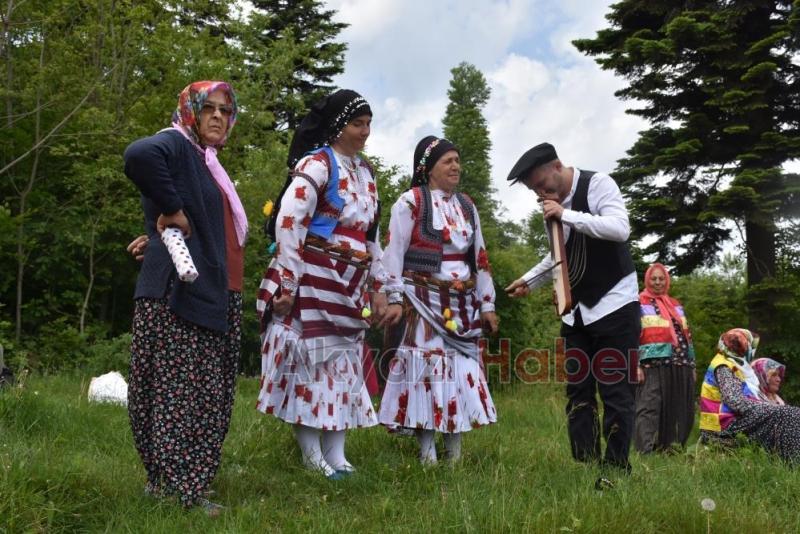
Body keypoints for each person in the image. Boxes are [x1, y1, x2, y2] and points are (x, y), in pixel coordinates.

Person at [123, 80, 246, 514]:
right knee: (181, 394)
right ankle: (180, 491)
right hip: (181, 292)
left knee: (203, 394)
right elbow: (138, 156)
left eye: (225, 111)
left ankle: (173, 486)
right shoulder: (175, 144)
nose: (217, 116)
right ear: (190, 111)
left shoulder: (205, 161)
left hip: (213, 291)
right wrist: (172, 207)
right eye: (207, 108)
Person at [255, 89, 386, 479]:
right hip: (314, 279)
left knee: (344, 367)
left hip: (351, 284)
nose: (364, 132)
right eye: (357, 124)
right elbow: (288, 222)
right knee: (311, 367)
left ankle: (338, 453)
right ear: (337, 126)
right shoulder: (317, 165)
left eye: (368, 125)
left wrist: (381, 287)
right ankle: (311, 453)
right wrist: (288, 281)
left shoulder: (366, 173)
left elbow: (372, 237)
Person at [504, 143, 640, 474]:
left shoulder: (598, 184)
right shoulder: (553, 208)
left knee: (615, 391)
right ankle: (585, 465)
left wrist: (567, 214)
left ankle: (616, 469)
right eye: (534, 189)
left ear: (558, 166)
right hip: (576, 312)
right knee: (577, 388)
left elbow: (620, 227)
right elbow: (559, 255)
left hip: (615, 303)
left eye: (542, 184)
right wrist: (529, 281)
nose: (540, 192)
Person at [377, 136, 498, 464]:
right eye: (448, 161)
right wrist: (394, 297)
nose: (456, 166)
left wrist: (487, 304)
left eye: (458, 159)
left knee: (459, 373)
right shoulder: (410, 202)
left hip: (463, 307)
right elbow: (394, 254)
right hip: (422, 302)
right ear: (429, 169)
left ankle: (454, 453)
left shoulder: (467, 206)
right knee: (426, 375)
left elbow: (480, 257)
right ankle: (427, 453)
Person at [699, 328, 800, 462]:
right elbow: (736, 402)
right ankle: (792, 464)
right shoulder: (723, 366)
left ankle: (789, 462)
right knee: (788, 414)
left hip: (730, 421)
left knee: (789, 413)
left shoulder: (734, 365)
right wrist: (768, 408)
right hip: (721, 426)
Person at [634, 263, 696, 452]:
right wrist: (635, 364)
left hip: (680, 361)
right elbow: (631, 334)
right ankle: (644, 450)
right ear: (647, 280)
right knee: (649, 406)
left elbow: (687, 336)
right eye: (654, 278)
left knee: (678, 407)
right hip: (652, 362)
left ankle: (672, 449)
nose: (658, 282)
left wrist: (692, 365)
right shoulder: (638, 303)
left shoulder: (676, 305)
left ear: (667, 280)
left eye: (661, 278)